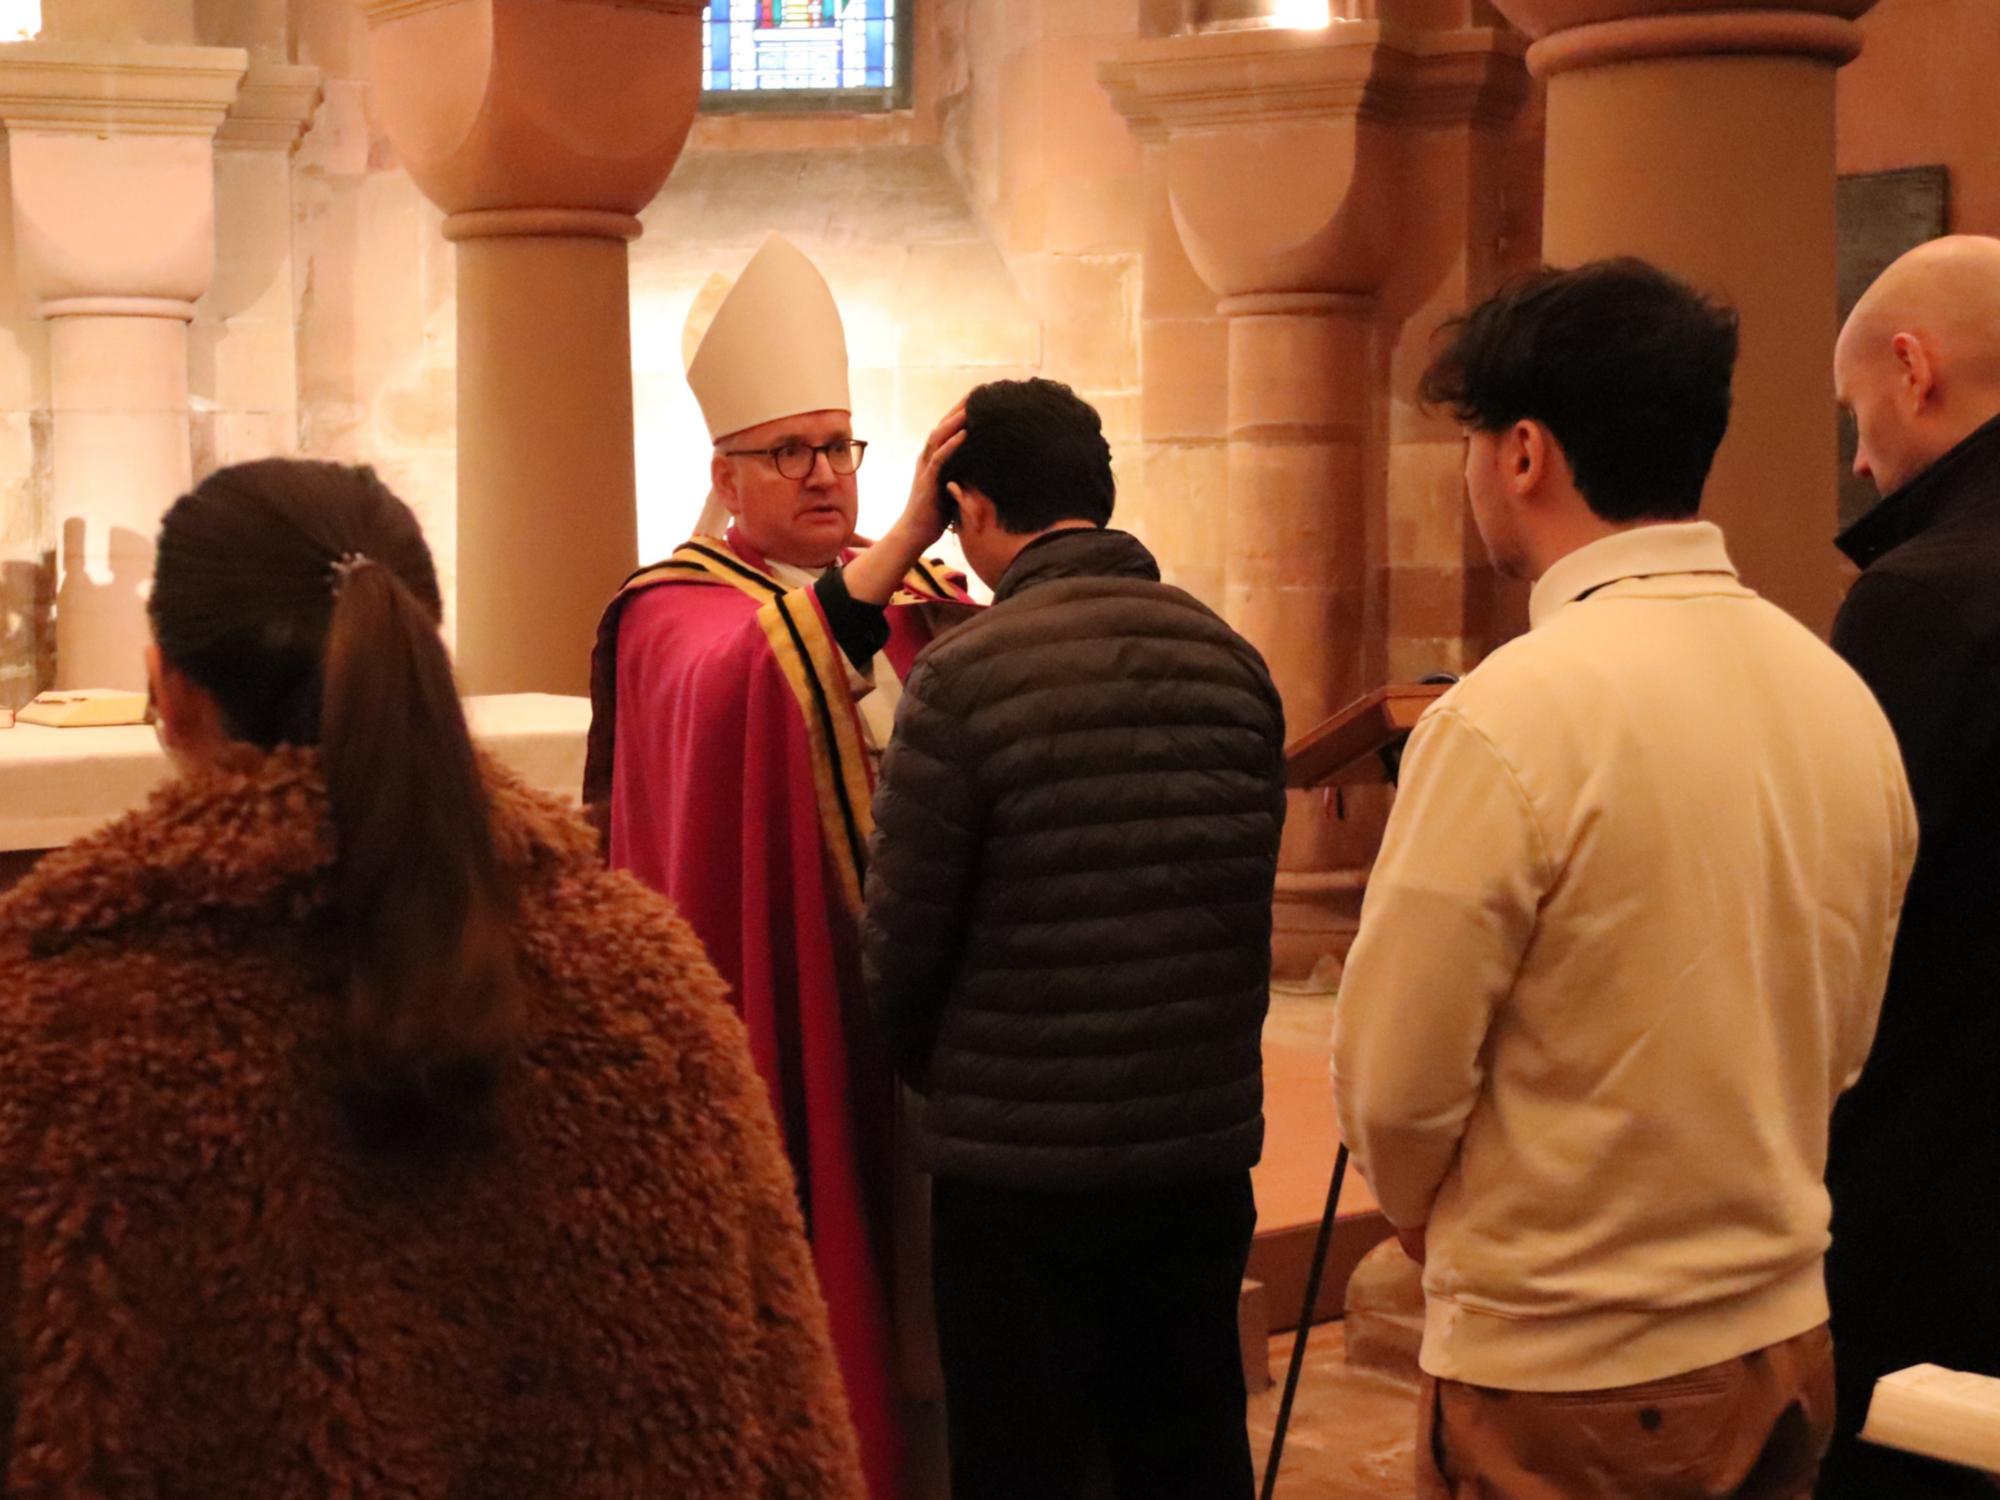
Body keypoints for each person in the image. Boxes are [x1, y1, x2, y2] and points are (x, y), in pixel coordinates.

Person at [0, 459, 863, 1496]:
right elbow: (786, 1403)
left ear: (167, 687)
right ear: (426, 661)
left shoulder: (53, 1015)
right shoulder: (638, 972)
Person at [1331, 260, 1917, 1500]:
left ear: (1525, 453)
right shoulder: (1834, 692)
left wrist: (1433, 1222)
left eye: (1472, 440)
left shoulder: (1509, 717)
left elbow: (1394, 1081)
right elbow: (1848, 1035)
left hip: (1568, 1368)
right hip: (1780, 1330)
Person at [583, 233, 973, 1500]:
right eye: (788, 451)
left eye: (838, 445)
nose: (823, 475)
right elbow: (747, 678)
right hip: (793, 1005)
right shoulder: (675, 610)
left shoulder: (920, 601)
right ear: (723, 470)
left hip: (940, 1034)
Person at [861, 378, 1287, 1500]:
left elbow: (900, 946)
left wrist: (946, 1077)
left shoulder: (959, 678)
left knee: (1021, 1459)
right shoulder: (1230, 657)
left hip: (1018, 1174)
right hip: (1194, 1146)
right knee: (1189, 1443)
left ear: (971, 509)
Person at [1820, 234, 2000, 1498]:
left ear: (1911, 366)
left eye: (1855, 416)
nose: (1858, 456)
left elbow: (1855, 913)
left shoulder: (1921, 598)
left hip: (1943, 1170)